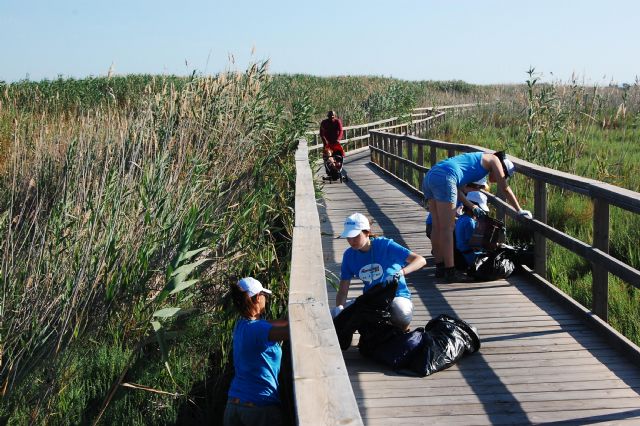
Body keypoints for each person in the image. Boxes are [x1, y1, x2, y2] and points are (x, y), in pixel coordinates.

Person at [422, 151, 531, 282]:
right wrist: (519, 210)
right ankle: (450, 272)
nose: (499, 179)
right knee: (447, 228)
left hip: (432, 175)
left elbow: (457, 189)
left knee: (437, 225)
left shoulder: (477, 160)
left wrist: (472, 206)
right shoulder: (494, 160)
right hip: (446, 177)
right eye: (504, 175)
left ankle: (440, 267)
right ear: (503, 169)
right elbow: (505, 188)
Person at [335, 213, 426, 331]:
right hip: (371, 297)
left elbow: (420, 260)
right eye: (348, 237)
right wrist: (339, 310)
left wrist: (401, 272)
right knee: (340, 315)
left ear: (367, 232)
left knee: (402, 314)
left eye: (356, 236)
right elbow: (342, 292)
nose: (351, 241)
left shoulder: (385, 245)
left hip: (396, 295)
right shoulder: (349, 255)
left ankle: (404, 330)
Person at [224, 277, 289, 426]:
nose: (265, 299)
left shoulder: (241, 326)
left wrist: (290, 318)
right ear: (258, 298)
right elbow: (291, 331)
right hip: (258, 407)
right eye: (264, 296)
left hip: (233, 405)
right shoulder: (259, 330)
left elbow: (278, 323)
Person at [455, 191, 491, 268]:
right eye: (480, 208)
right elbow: (473, 243)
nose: (482, 211)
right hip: (468, 257)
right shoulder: (469, 222)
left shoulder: (461, 218)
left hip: (461, 254)